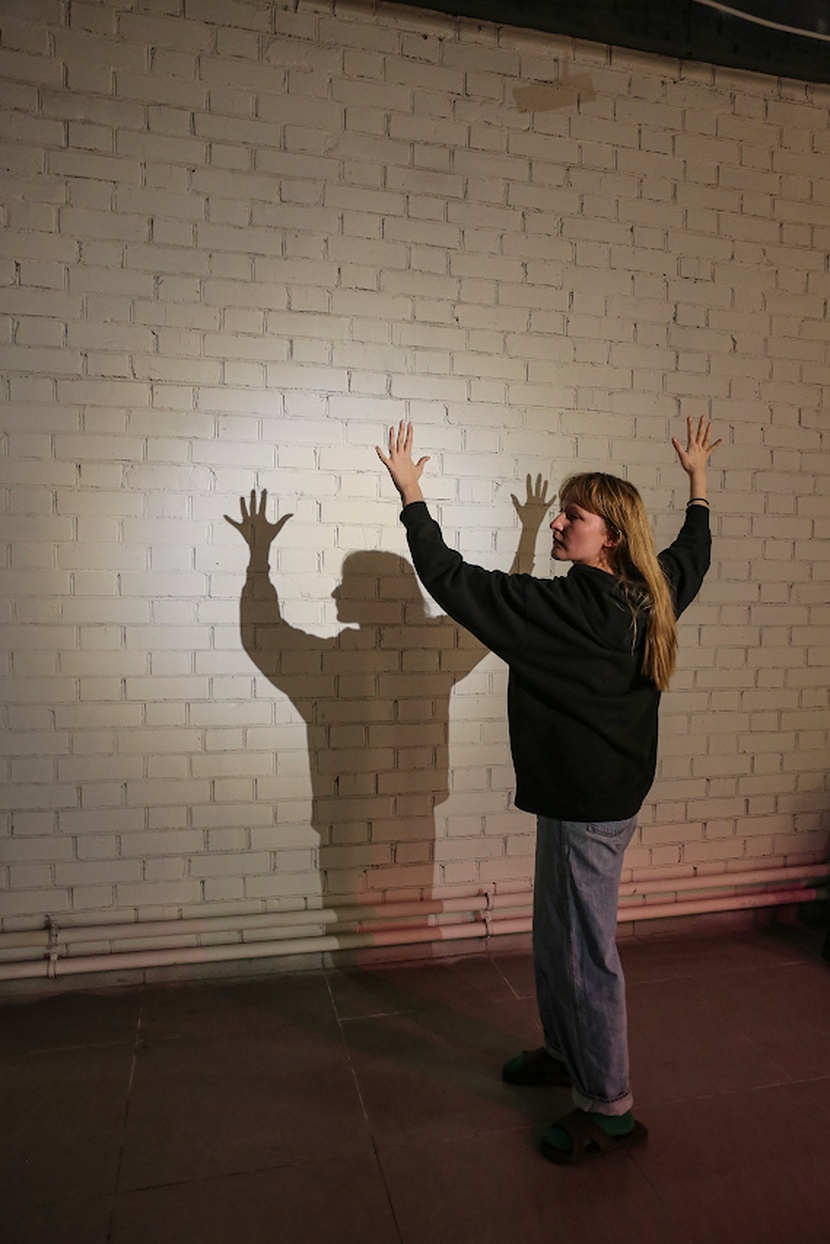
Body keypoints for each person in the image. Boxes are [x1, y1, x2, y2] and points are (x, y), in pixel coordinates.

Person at [376, 416, 720, 1163]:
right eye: (561, 513)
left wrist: (411, 496)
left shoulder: (563, 612)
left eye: (573, 517)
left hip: (583, 808)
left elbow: (454, 581)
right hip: (594, 801)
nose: (560, 524)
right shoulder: (652, 594)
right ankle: (566, 1054)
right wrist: (697, 483)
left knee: (583, 953)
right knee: (557, 937)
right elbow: (693, 552)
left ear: (610, 538)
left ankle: (610, 1107)